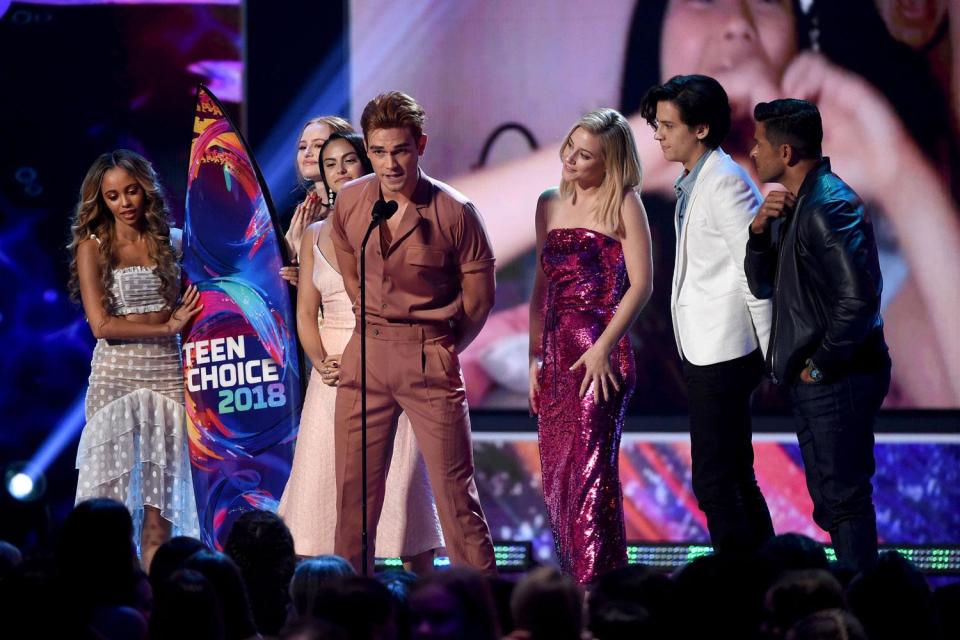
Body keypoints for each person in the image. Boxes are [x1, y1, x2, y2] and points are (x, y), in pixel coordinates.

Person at [329, 91, 497, 574]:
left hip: (428, 355)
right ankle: (349, 610)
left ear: (420, 144)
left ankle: (483, 609)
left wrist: (439, 345)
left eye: (399, 150)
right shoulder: (351, 201)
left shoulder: (454, 211)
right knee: (353, 501)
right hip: (365, 355)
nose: (389, 163)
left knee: (455, 497)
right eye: (378, 152)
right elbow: (348, 269)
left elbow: (479, 302)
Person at [278, 131, 443, 571]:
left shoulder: (395, 219)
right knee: (320, 493)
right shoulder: (314, 234)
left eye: (349, 160)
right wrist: (319, 361)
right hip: (334, 371)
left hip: (389, 361)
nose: (340, 171)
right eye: (330, 164)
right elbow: (306, 311)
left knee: (404, 492)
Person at [745, 98, 891, 572]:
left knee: (844, 501)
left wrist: (818, 365)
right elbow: (764, 285)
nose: (752, 151)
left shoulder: (827, 205)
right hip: (819, 377)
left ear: (785, 153)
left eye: (759, 142)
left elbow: (859, 300)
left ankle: (859, 611)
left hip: (836, 378)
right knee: (833, 501)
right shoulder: (796, 203)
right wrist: (759, 231)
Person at [640, 74, 774, 554]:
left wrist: (771, 350)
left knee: (718, 482)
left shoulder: (724, 183)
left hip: (726, 351)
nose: (658, 134)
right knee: (734, 475)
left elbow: (756, 271)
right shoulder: (698, 180)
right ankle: (764, 577)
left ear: (700, 129)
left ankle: (742, 584)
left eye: (668, 125)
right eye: (657, 124)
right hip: (707, 347)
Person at [527, 108, 652, 583]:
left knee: (590, 481)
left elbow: (642, 285)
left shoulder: (623, 202)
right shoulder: (548, 203)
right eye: (570, 148)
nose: (571, 160)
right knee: (560, 479)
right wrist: (534, 358)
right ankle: (600, 583)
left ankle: (590, 595)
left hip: (600, 357)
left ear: (610, 162)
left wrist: (602, 348)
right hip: (557, 356)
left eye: (585, 155)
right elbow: (542, 287)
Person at [68, 149, 201, 571]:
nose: (125, 203)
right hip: (115, 379)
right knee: (112, 514)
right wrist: (167, 327)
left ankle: (160, 607)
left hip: (167, 377)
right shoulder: (93, 247)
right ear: (100, 200)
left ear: (146, 191)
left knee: (160, 515)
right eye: (112, 196)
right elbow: (102, 326)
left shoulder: (174, 242)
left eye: (131, 191)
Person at [280, 115, 354, 285]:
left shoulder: (355, 210)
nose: (307, 153)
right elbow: (276, 268)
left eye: (318, 145)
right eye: (302, 146)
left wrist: (306, 274)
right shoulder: (305, 212)